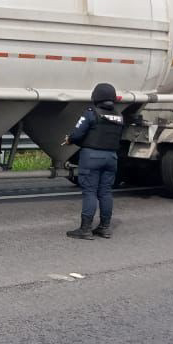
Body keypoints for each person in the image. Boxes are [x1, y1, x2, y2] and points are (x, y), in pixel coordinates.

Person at [65, 82, 124, 240]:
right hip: (111, 158)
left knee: (90, 192)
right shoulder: (119, 116)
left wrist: (70, 140)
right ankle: (105, 228)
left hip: (92, 157)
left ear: (95, 97)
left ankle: (85, 229)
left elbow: (77, 134)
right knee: (105, 192)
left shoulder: (91, 113)